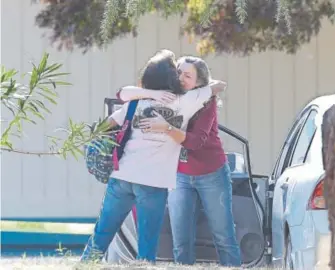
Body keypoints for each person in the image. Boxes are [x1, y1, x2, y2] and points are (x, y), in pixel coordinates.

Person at [80, 50, 226, 263]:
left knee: (101, 235)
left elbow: (108, 122)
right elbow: (219, 86)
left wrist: (147, 94)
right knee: (147, 245)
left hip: (122, 176)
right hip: (153, 182)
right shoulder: (184, 101)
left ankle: (85, 265)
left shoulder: (135, 103)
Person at [118, 56, 241, 266]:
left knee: (224, 237)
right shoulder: (167, 95)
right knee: (181, 241)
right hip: (179, 175)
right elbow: (122, 94)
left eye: (188, 75)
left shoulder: (205, 103)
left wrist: (165, 127)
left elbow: (194, 143)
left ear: (199, 82)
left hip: (211, 173)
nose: (181, 78)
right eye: (179, 73)